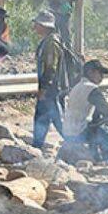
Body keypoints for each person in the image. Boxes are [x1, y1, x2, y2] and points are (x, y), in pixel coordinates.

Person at [62, 60, 108, 163]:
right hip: (80, 132)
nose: (102, 77)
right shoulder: (91, 89)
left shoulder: (76, 87)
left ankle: (95, 154)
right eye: (100, 73)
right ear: (90, 72)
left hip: (68, 132)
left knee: (96, 124)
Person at [32, 11, 65, 149]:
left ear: (44, 26)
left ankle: (75, 143)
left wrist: (44, 88)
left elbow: (51, 68)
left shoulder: (51, 43)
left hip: (50, 89)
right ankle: (37, 146)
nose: (35, 27)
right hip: (50, 88)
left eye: (37, 24)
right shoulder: (47, 41)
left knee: (48, 118)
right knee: (48, 118)